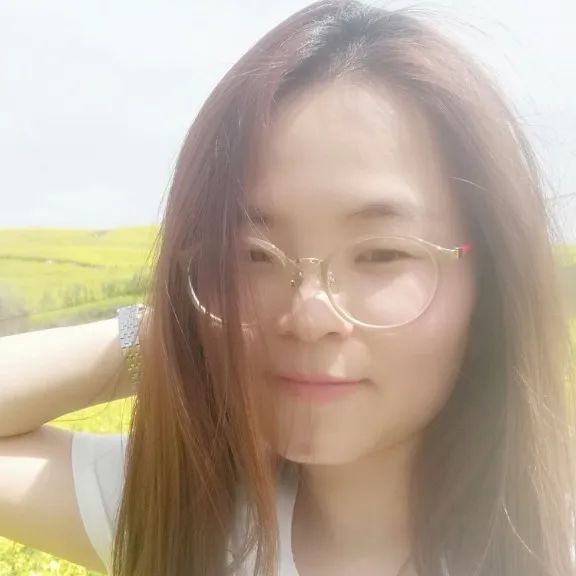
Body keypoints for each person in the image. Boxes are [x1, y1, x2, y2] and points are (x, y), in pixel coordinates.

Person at [1, 1, 575, 575]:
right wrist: (181, 334)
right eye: (251, 255)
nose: (308, 316)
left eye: (382, 253)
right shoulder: (182, 511)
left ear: (491, 282)